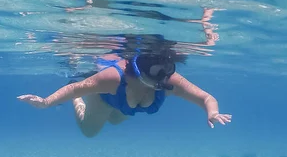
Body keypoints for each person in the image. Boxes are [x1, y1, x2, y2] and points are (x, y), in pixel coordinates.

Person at [17, 48, 232, 138]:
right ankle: (78, 103)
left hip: (126, 107)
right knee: (89, 132)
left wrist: (212, 112)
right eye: (156, 73)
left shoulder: (168, 81)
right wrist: (46, 102)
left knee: (117, 121)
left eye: (165, 74)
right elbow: (75, 87)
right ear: (141, 68)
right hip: (104, 99)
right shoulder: (113, 78)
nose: (161, 81)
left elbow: (206, 97)